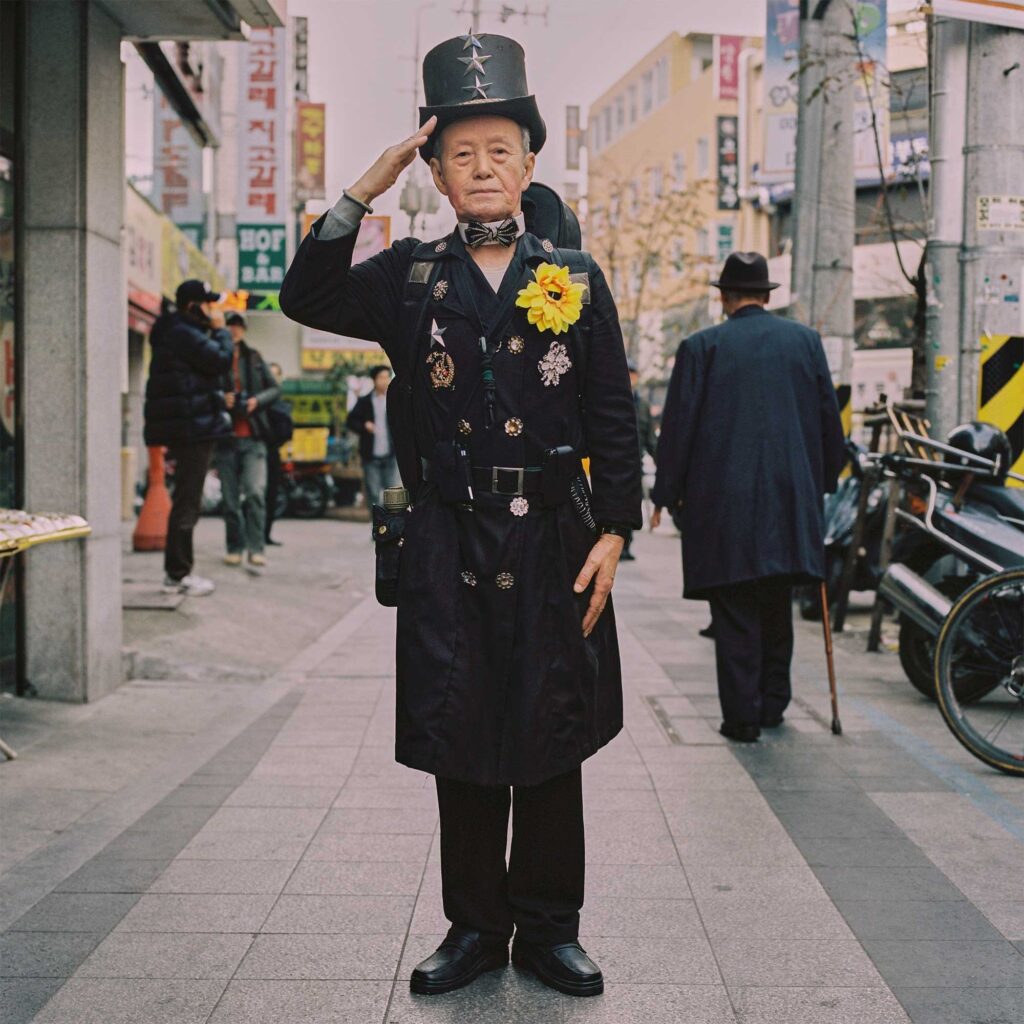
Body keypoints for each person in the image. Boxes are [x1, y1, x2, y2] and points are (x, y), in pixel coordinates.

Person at [280, 30, 641, 999]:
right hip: (447, 533)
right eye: (460, 153)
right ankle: (475, 926)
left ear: (527, 163)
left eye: (499, 150)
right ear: (436, 172)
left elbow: (614, 408)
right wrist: (365, 184)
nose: (481, 167)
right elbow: (303, 291)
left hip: (555, 533)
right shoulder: (405, 278)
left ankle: (550, 927)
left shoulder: (578, 275)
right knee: (463, 726)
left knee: (551, 727)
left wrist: (614, 529)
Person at [650, 251, 846, 743]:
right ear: (766, 295)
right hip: (789, 502)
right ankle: (773, 703)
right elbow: (829, 424)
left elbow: (678, 429)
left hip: (723, 506)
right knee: (777, 603)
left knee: (735, 611)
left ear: (724, 297)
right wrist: (822, 482)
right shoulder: (805, 343)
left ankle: (742, 717)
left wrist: (664, 493)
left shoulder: (702, 347)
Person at [144, 280, 233, 596]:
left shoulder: (175, 330)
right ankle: (178, 574)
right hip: (191, 427)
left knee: (186, 498)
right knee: (187, 501)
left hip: (187, 424)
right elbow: (221, 359)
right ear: (193, 306)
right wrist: (222, 331)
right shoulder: (183, 332)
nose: (213, 310)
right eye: (208, 304)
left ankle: (177, 572)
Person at [214, 312, 280, 575]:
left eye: (239, 326)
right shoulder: (215, 357)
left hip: (254, 438)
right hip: (226, 438)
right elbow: (205, 388)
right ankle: (234, 548)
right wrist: (222, 398)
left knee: (254, 493)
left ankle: (256, 549)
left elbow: (275, 389)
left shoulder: (254, 357)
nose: (234, 330)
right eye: (231, 326)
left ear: (244, 330)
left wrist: (255, 401)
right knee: (230, 500)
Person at [620, 358, 658, 561]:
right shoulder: (612, 398)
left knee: (630, 504)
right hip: (613, 463)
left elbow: (651, 439)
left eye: (633, 373)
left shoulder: (642, 405)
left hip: (635, 464)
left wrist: (662, 464)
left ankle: (626, 544)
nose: (630, 377)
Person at [347, 365, 400, 507]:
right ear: (374, 380)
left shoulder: (396, 400)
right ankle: (377, 523)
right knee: (374, 492)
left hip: (390, 454)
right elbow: (351, 420)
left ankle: (391, 525)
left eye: (387, 377)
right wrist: (364, 425)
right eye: (381, 377)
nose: (385, 381)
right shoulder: (365, 402)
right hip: (370, 454)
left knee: (392, 493)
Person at [263, 361, 290, 546]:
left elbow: (286, 430)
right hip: (258, 449)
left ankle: (266, 534)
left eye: (276, 374)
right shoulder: (260, 399)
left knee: (271, 494)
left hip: (273, 452)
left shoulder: (281, 402)